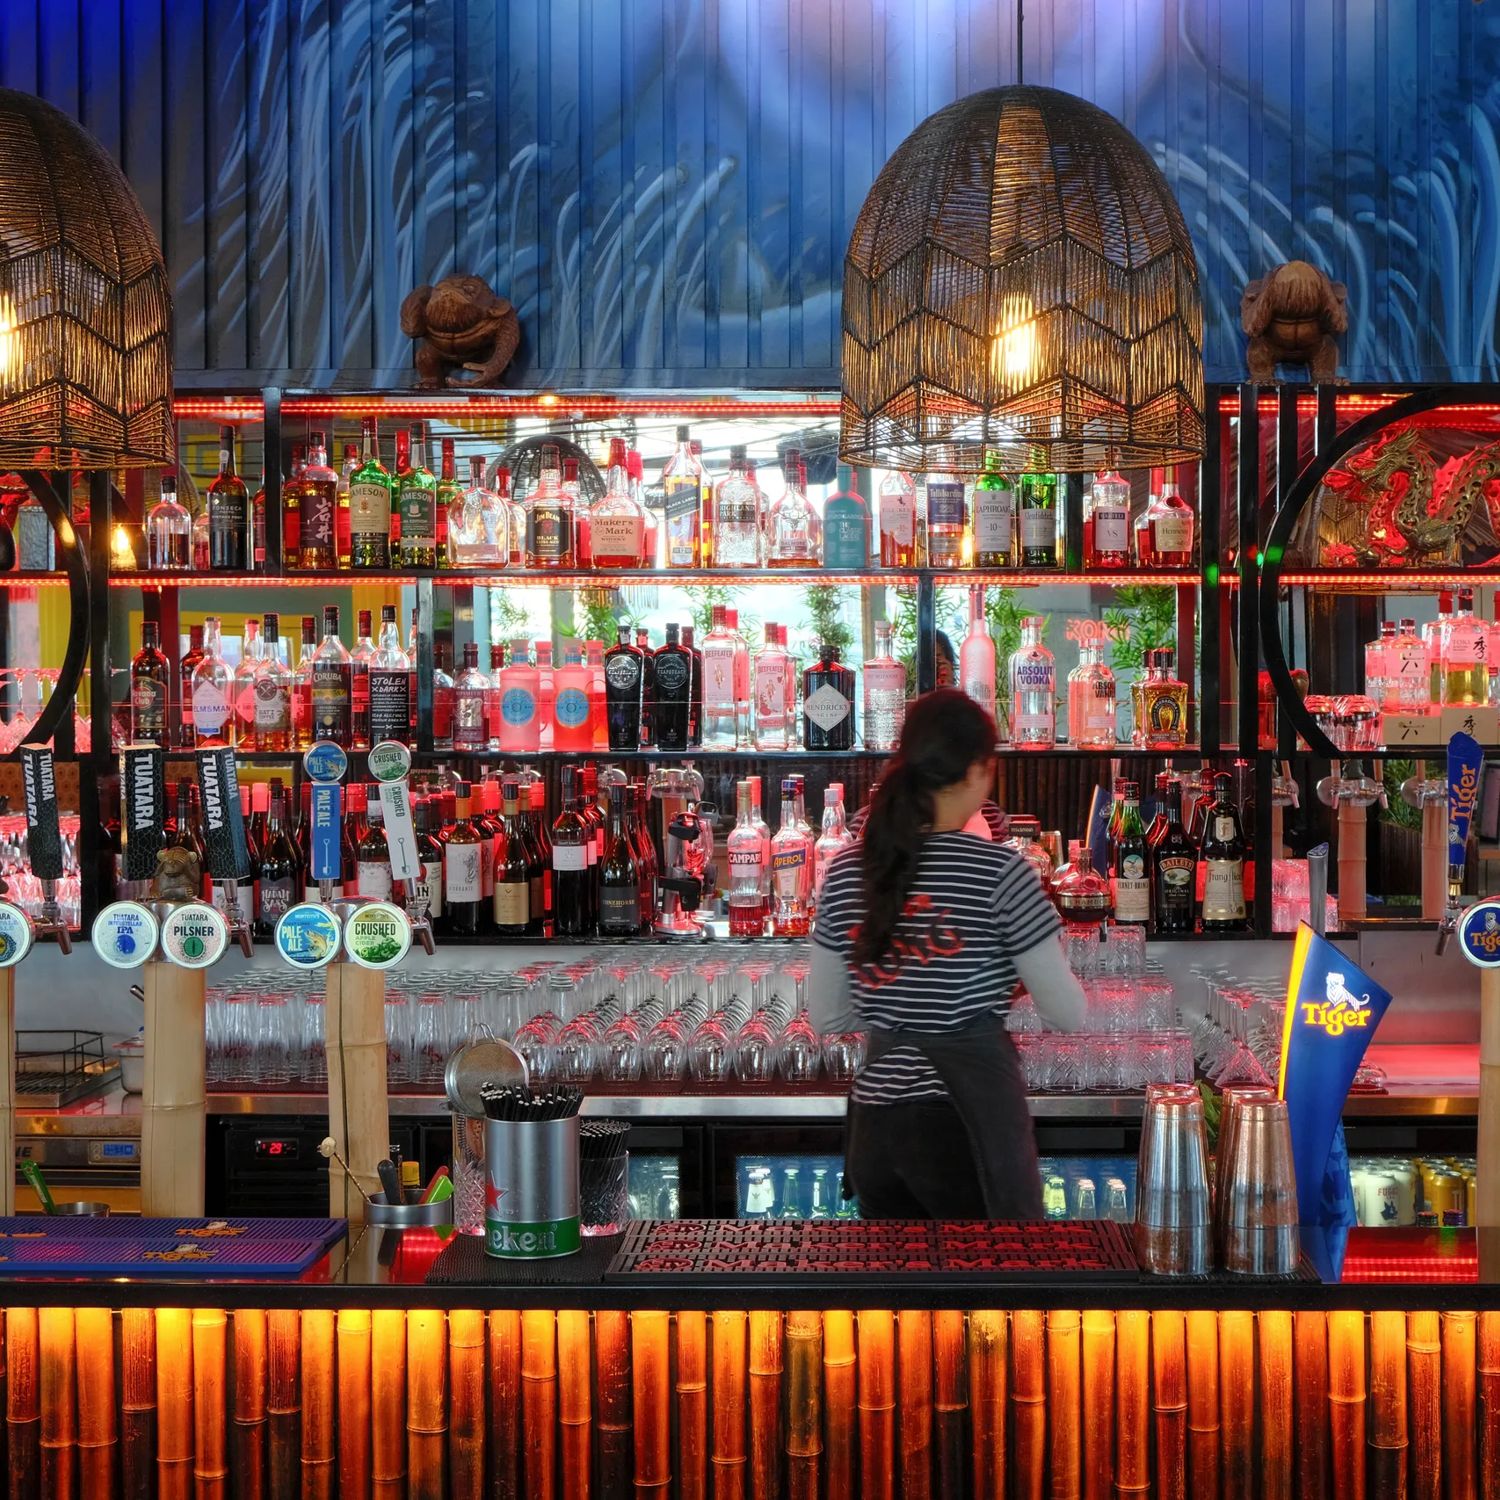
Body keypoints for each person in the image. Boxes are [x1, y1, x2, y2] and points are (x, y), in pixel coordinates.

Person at [808, 689, 1086, 1219]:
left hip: (878, 1128)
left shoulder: (846, 871)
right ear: (981, 770)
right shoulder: (1002, 874)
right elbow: (1067, 1012)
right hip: (970, 1126)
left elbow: (827, 1015)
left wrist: (897, 990)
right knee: (993, 1291)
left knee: (896, 1295)